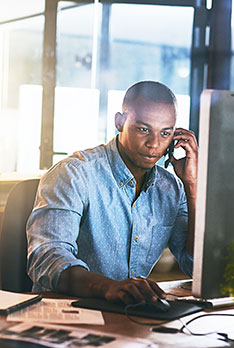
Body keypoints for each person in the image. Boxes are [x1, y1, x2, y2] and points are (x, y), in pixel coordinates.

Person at [27, 81, 198, 305]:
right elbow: (47, 258)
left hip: (128, 317)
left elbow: (195, 266)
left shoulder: (171, 188)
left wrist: (192, 186)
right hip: (67, 313)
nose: (154, 144)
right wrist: (110, 287)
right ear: (119, 122)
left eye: (165, 133)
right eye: (143, 129)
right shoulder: (75, 174)